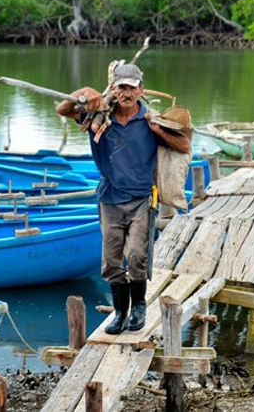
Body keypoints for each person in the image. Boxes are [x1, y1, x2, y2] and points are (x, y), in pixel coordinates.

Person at [56, 63, 191, 334]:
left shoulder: (151, 119)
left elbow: (184, 146)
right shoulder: (97, 115)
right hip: (109, 199)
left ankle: (138, 306)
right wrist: (84, 92)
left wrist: (159, 132)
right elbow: (62, 109)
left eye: (132, 87)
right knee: (110, 262)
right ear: (114, 88)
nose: (126, 92)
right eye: (122, 87)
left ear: (140, 89)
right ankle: (120, 313)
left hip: (142, 198)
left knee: (136, 255)